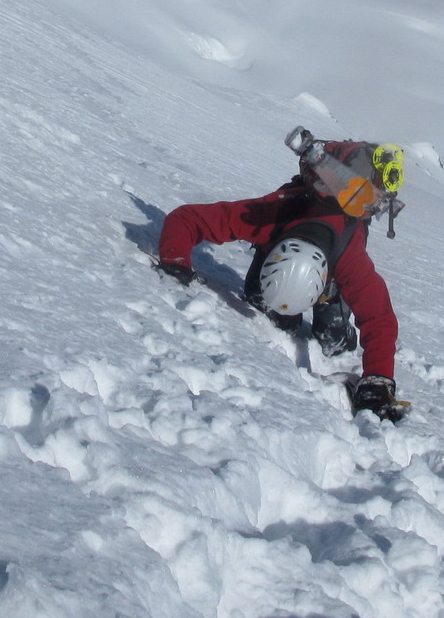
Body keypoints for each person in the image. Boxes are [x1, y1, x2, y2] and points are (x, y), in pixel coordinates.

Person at [154, 129, 408, 419]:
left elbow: (379, 318)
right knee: (269, 312)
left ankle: (332, 305)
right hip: (286, 258)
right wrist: (176, 260)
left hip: (333, 271)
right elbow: (187, 219)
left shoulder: (349, 256)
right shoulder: (272, 214)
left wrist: (377, 379)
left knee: (333, 339)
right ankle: (277, 298)